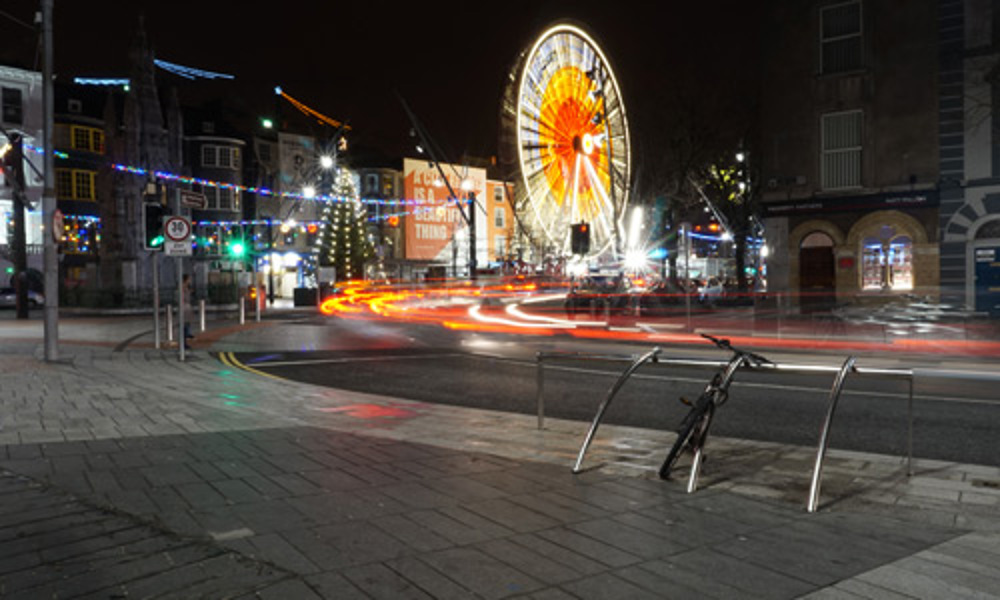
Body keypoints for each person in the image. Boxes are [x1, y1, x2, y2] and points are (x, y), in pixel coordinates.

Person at [181, 274, 194, 349]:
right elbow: (184, 297)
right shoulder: (183, 287)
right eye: (189, 279)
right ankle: (184, 343)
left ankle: (186, 339)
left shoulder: (185, 287)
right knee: (184, 326)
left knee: (186, 324)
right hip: (184, 308)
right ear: (186, 279)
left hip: (186, 307)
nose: (190, 281)